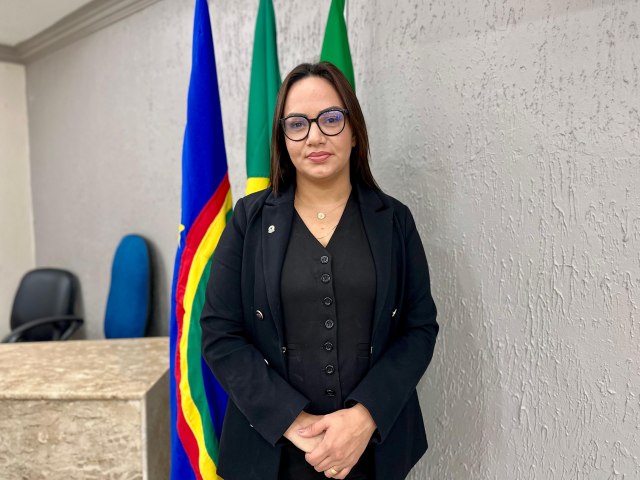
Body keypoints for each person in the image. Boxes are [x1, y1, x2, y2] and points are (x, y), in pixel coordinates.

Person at [201, 61, 439, 480]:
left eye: (330, 119)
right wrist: (295, 424)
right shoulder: (248, 221)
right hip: (271, 452)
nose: (314, 136)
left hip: (372, 451)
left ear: (354, 130)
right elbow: (221, 333)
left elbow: (419, 329)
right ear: (283, 138)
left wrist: (364, 417)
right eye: (297, 124)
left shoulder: (394, 221)